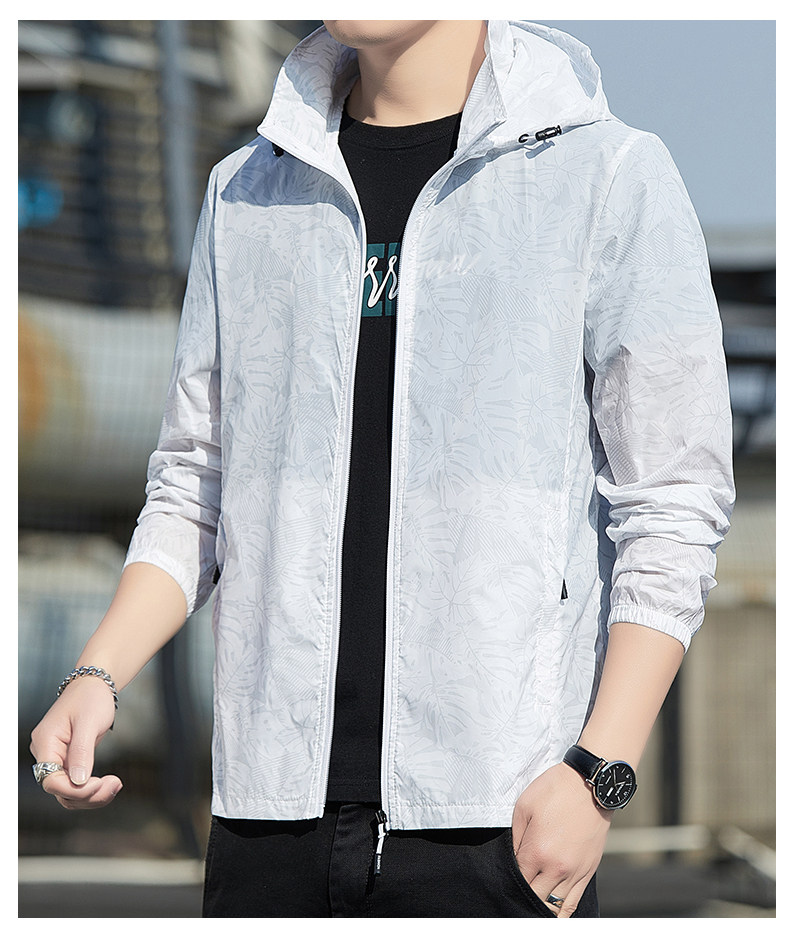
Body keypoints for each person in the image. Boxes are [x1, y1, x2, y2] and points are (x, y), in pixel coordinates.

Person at [30, 20, 735, 918]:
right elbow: (196, 479)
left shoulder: (608, 175)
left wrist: (597, 772)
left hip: (499, 820)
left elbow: (674, 500)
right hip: (267, 821)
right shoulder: (247, 189)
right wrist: (95, 674)